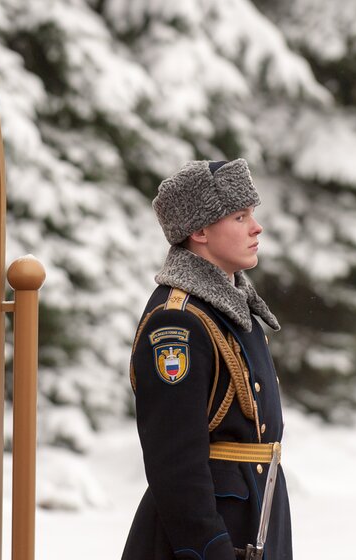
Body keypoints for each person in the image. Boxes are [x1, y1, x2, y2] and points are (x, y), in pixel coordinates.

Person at [122, 159, 292, 560]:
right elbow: (175, 458)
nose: (257, 227)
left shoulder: (229, 305)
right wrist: (209, 547)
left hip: (255, 515)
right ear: (198, 231)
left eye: (253, 214)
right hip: (208, 537)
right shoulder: (176, 321)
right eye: (239, 216)